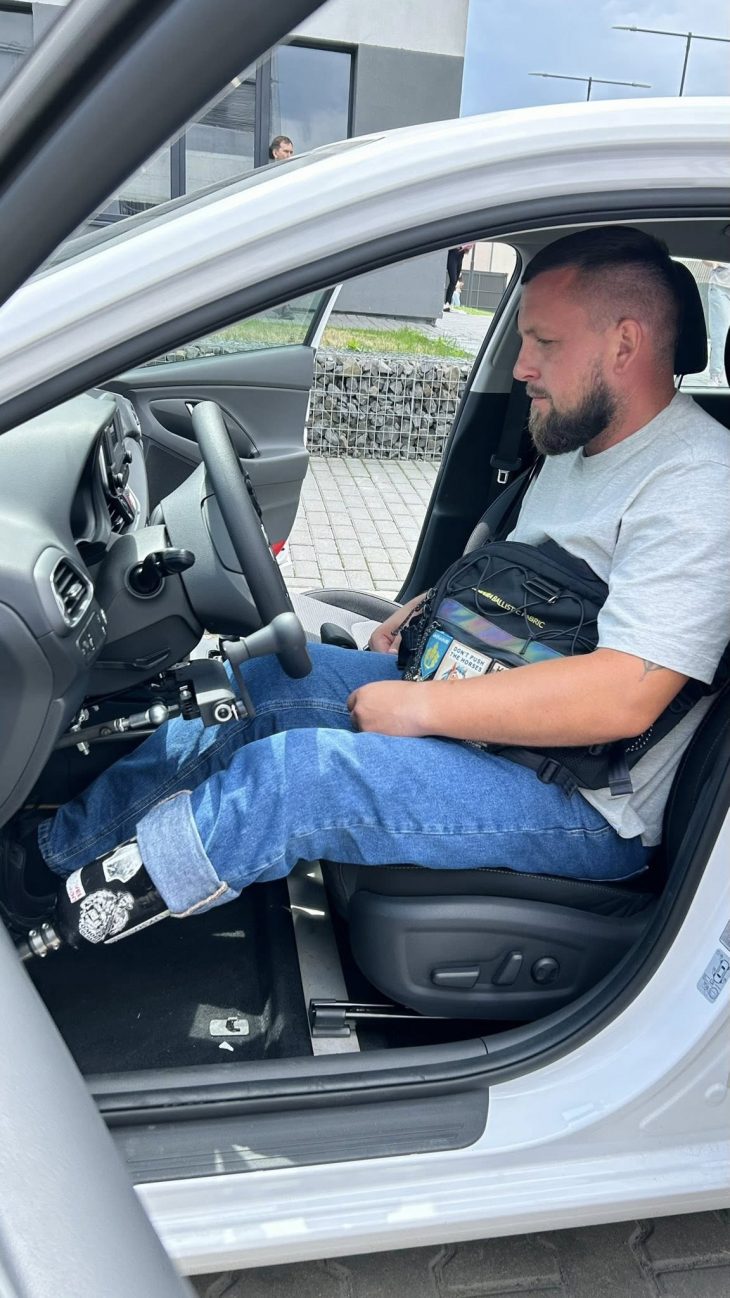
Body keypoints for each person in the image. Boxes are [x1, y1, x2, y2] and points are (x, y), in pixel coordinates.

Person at [6, 226, 730, 955]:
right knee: (262, 680)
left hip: (584, 803)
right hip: (501, 715)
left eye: (544, 342)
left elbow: (625, 693)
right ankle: (43, 863)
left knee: (297, 778)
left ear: (625, 344)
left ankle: (55, 928)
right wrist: (426, 613)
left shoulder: (697, 484)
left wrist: (420, 706)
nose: (521, 367)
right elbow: (527, 576)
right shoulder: (580, 440)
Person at [704, 261, 730, 385]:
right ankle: (716, 375)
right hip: (720, 286)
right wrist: (715, 262)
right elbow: (705, 258)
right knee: (720, 334)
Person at [444, 243, 473, 311]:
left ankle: (448, 303)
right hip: (453, 253)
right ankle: (447, 303)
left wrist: (467, 247)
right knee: (453, 279)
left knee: (455, 280)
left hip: (460, 254)